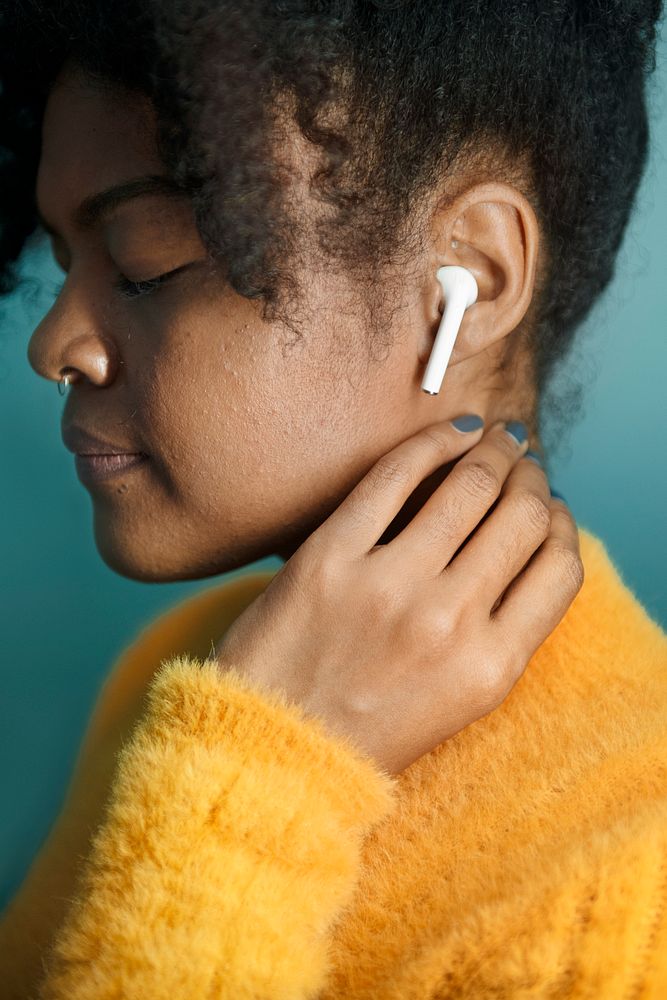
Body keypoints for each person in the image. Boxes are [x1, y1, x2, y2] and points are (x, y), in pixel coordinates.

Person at [1, 1, 665, 997]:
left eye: (146, 263)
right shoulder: (181, 676)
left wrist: (260, 776)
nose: (53, 345)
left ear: (468, 280)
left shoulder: (629, 881)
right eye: (62, 265)